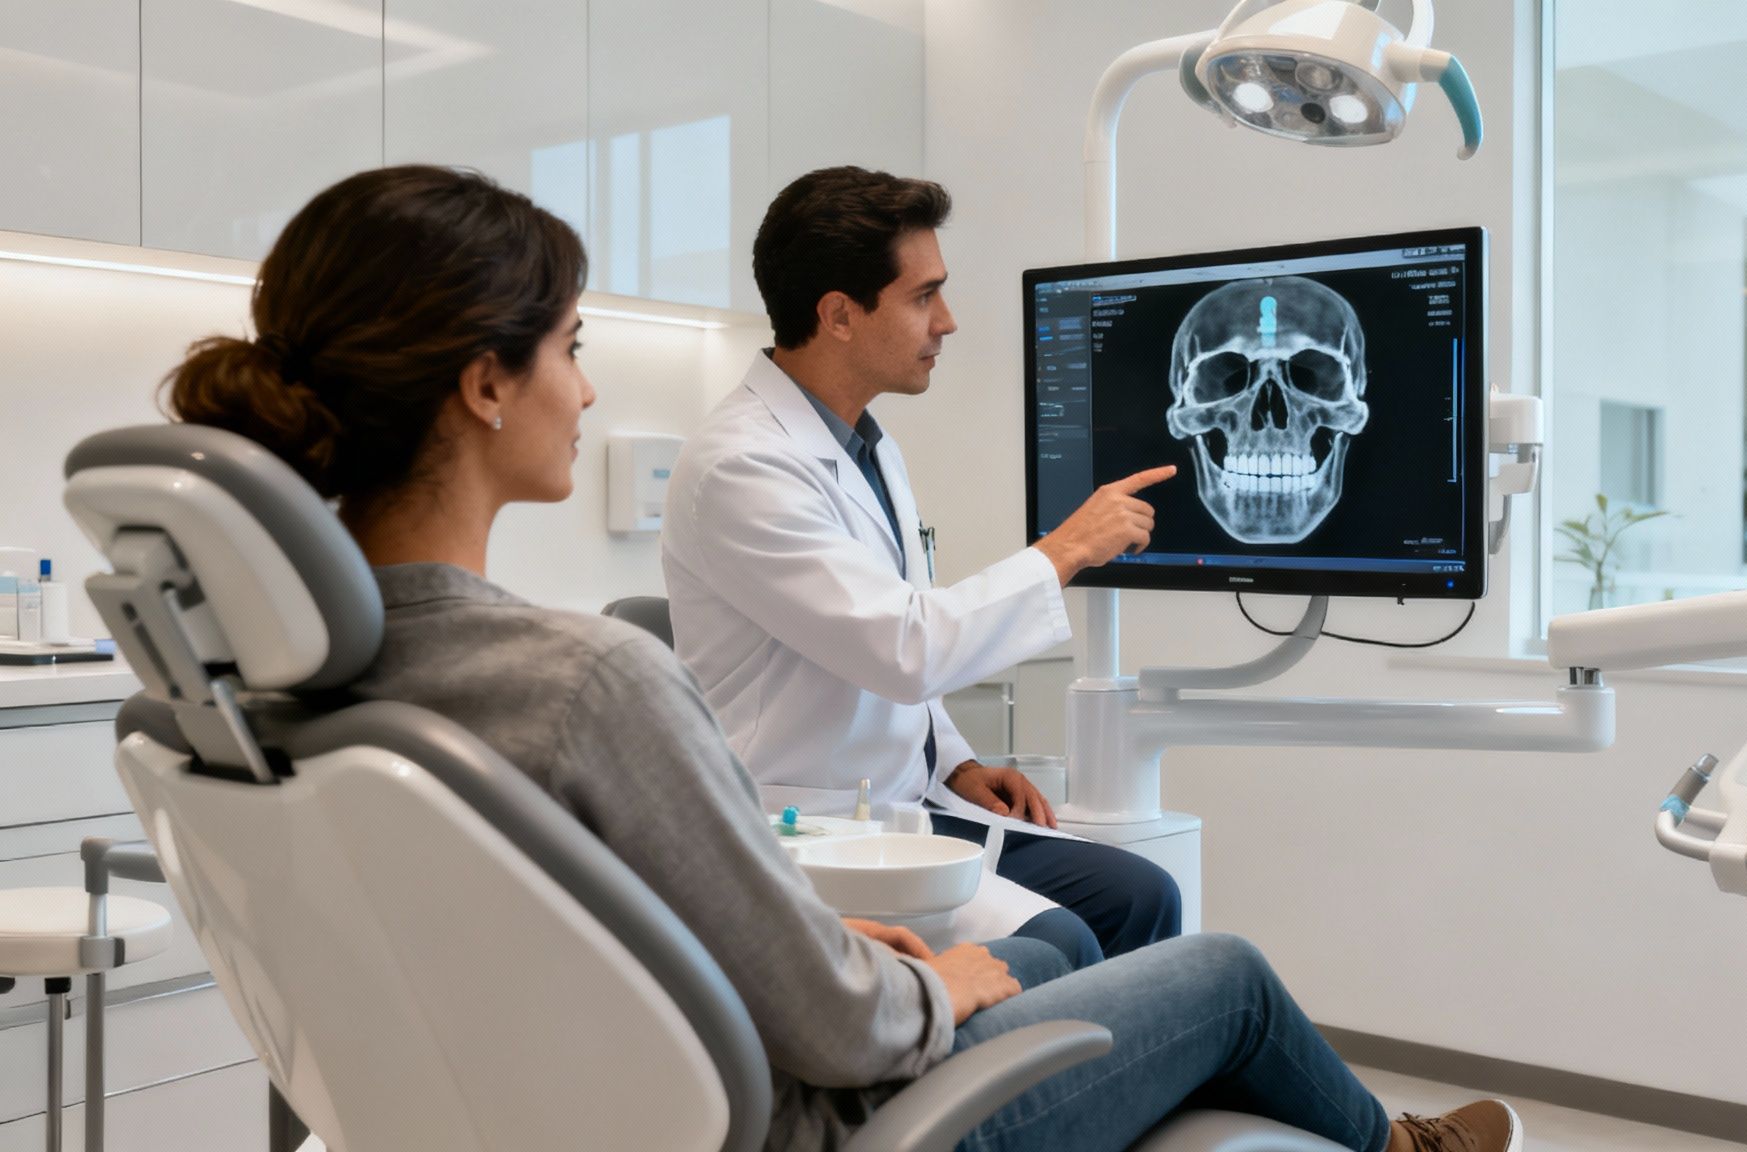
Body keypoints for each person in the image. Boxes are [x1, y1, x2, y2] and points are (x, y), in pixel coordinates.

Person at [162, 164, 1522, 1152]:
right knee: (1209, 968)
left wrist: (927, 801)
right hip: (797, 1114)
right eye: (573, 348)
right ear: (483, 383)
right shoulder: (583, 680)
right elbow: (839, 1012)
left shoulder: (284, 700)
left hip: (637, 1071)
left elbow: (578, 930)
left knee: (1072, 945)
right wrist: (912, 977)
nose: (588, 387)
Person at [662, 166, 1179, 960]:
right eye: (923, 296)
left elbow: (884, 629)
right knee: (1064, 942)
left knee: (1144, 892)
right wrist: (1067, 548)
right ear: (838, 314)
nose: (948, 321)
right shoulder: (743, 467)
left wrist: (959, 758)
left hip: (907, 800)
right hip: (811, 827)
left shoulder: (864, 443)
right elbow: (905, 646)